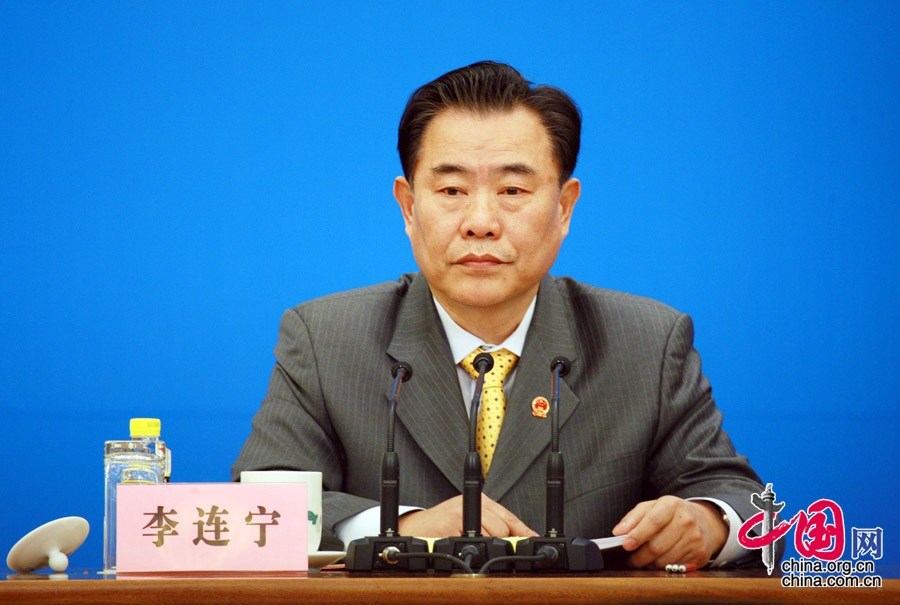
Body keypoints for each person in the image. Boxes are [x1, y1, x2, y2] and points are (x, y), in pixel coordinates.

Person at [233, 61, 770, 569]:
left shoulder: (646, 342)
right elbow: (256, 509)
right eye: (452, 190)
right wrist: (400, 526)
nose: (481, 221)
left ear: (563, 208)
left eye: (512, 190)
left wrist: (708, 523)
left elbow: (745, 502)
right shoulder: (326, 339)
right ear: (409, 207)